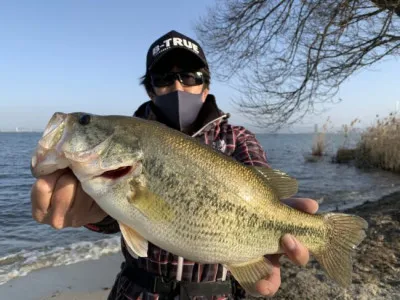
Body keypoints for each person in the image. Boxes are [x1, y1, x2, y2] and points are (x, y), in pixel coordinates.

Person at [31, 30, 319, 299]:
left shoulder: (238, 139)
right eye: (163, 77)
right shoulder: (127, 145)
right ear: (151, 90)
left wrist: (272, 246)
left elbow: (265, 194)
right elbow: (122, 217)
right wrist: (90, 211)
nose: (177, 85)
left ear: (206, 87)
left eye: (190, 76)